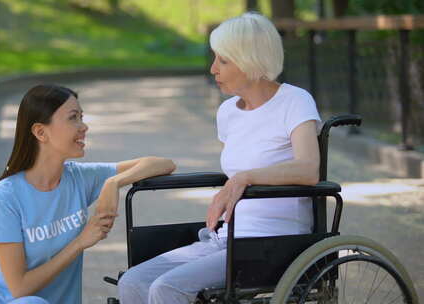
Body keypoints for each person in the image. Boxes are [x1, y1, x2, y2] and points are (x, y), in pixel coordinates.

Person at [117, 12, 321, 304]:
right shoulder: (228, 112)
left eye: (223, 61)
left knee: (167, 289)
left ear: (250, 60)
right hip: (225, 238)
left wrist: (245, 177)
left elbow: (308, 170)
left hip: (274, 242)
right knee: (134, 281)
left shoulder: (295, 101)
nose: (213, 69)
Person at [0, 84, 176, 304]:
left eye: (81, 117)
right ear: (41, 132)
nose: (84, 126)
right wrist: (80, 242)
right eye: (73, 118)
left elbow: (162, 164)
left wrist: (114, 182)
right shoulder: (6, 195)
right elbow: (19, 289)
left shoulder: (78, 178)